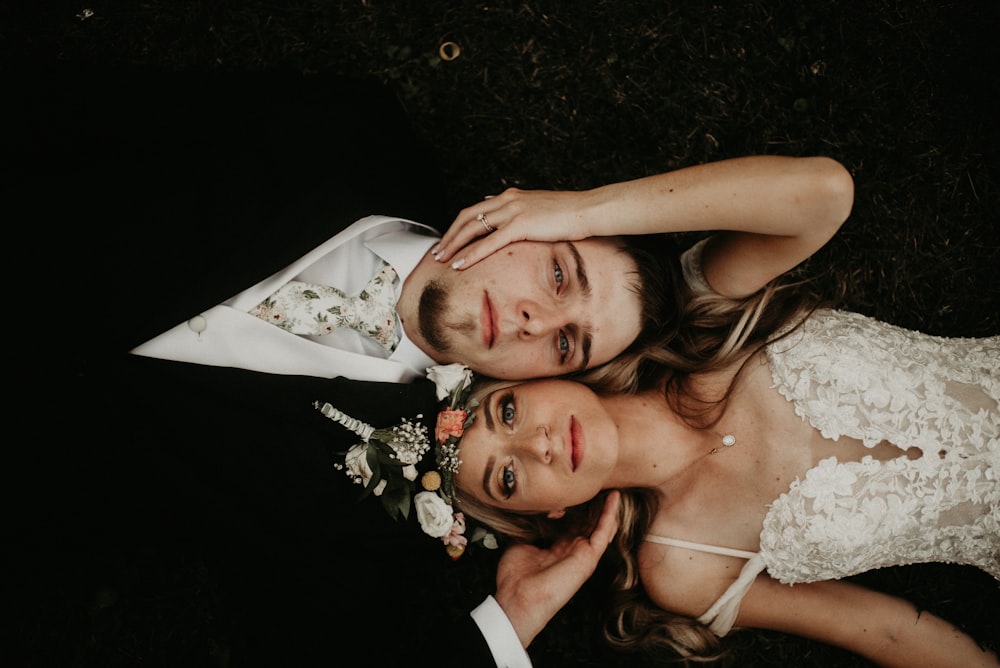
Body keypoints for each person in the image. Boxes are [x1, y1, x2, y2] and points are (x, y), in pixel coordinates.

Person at [9, 69, 850, 665]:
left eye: (565, 345)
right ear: (527, 212)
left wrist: (514, 616)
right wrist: (582, 208)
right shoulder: (338, 124)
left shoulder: (375, 512)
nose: (533, 316)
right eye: (559, 273)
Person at [430, 225, 999, 665]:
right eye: (507, 477)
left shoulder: (702, 323)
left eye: (508, 412)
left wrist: (568, 212)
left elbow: (824, 194)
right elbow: (884, 630)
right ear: (546, 512)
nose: (539, 446)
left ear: (538, 376)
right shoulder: (682, 570)